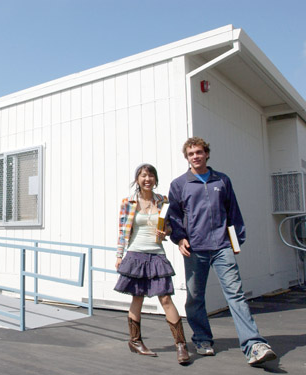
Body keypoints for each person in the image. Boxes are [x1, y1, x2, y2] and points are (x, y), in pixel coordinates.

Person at [167, 137, 277, 366]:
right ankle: (202, 339)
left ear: (207, 154)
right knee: (195, 297)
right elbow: (174, 216)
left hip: (222, 246)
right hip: (195, 249)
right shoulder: (179, 184)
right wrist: (180, 239)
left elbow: (233, 212)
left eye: (198, 152)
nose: (195, 156)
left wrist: (236, 241)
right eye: (190, 154)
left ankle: (254, 345)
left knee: (236, 295)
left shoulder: (222, 180)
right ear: (186, 158)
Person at [115, 163, 190, 365]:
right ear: (137, 179)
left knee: (165, 298)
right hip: (135, 254)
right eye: (143, 176)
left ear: (155, 179)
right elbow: (123, 232)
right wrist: (119, 255)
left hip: (157, 253)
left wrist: (165, 232)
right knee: (137, 297)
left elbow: (171, 227)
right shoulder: (128, 202)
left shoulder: (163, 201)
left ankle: (181, 345)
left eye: (151, 176)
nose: (147, 179)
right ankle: (135, 341)